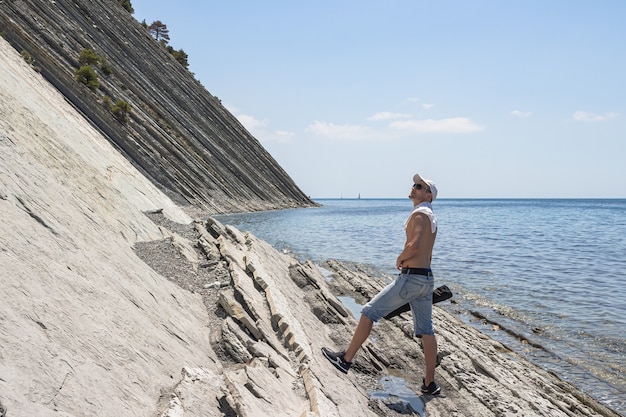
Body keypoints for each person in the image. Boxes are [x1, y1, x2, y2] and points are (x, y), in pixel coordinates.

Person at [321, 173, 441, 395]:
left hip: (411, 277)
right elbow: (427, 252)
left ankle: (345, 360)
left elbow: (414, 246)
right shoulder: (432, 217)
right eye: (414, 184)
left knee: (368, 312)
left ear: (428, 195)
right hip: (426, 278)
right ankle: (429, 383)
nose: (413, 187)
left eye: (419, 186)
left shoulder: (419, 214)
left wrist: (400, 258)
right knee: (426, 330)